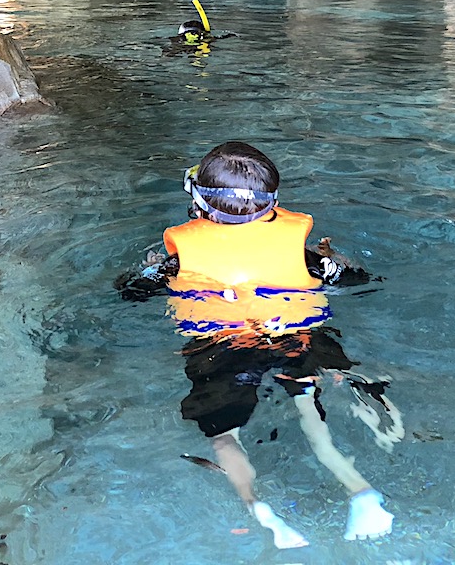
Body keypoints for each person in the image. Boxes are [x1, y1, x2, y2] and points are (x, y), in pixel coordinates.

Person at [116, 141, 400, 549]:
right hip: (298, 336)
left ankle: (258, 508)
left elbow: (130, 291)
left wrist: (148, 266)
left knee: (225, 435)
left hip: (223, 346)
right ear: (272, 205)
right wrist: (331, 256)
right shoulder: (305, 257)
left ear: (199, 203)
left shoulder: (174, 263)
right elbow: (357, 279)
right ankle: (361, 492)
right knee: (310, 410)